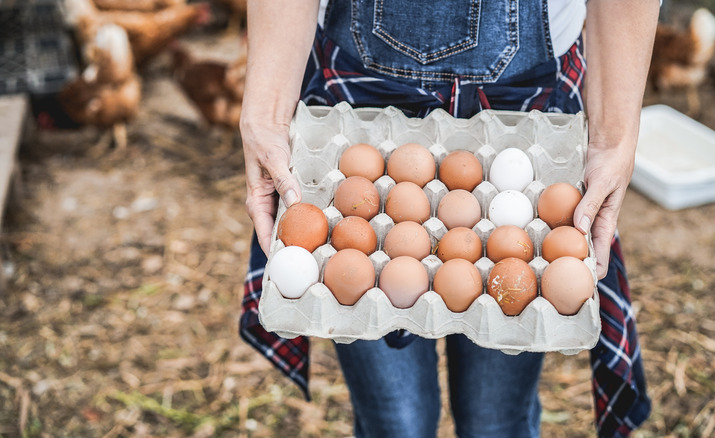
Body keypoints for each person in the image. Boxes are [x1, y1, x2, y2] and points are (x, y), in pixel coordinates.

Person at [239, 1, 658, 437]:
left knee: (495, 423)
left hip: (525, 108)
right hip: (360, 108)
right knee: (395, 424)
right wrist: (266, 114)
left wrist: (613, 137)